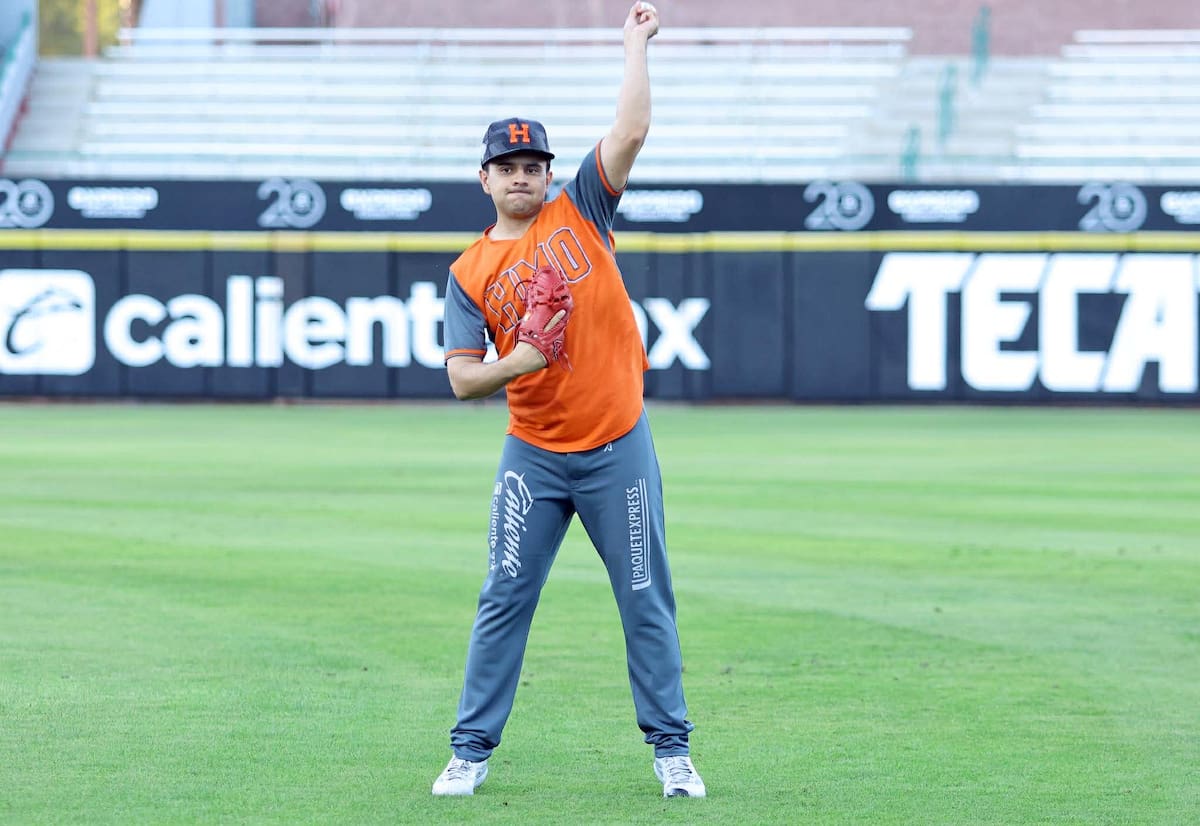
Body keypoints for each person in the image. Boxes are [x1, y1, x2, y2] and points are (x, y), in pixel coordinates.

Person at [433, 1, 705, 800]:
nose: (523, 174)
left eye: (533, 164)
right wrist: (521, 358)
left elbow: (630, 131)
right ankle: (470, 752)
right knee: (504, 597)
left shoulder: (579, 209)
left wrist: (634, 46)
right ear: (484, 178)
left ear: (549, 174)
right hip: (535, 457)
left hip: (617, 445)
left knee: (646, 597)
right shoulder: (468, 272)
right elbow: (461, 379)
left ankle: (672, 752)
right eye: (508, 165)